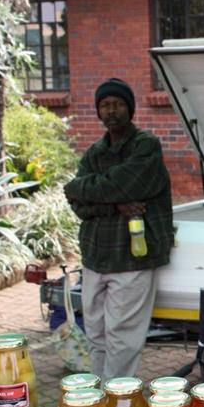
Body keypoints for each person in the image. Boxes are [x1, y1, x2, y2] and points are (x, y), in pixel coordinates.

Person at [64, 78, 174, 380]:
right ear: (98, 111)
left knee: (122, 338)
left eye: (118, 104)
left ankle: (118, 401)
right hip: (95, 255)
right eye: (105, 105)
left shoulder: (146, 146)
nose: (111, 110)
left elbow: (122, 183)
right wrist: (115, 206)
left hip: (132, 257)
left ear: (130, 109)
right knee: (96, 334)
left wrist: (86, 189)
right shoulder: (94, 153)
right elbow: (77, 201)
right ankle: (98, 396)